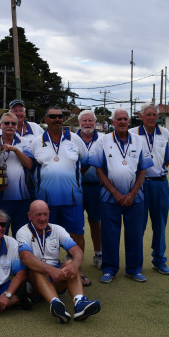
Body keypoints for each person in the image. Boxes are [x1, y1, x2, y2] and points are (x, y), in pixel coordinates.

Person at [30, 106, 91, 287]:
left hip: (72, 199)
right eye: (53, 116)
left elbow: (85, 163)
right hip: (45, 202)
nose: (57, 119)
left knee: (76, 235)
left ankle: (77, 270)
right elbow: (30, 166)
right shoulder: (36, 142)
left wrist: (69, 178)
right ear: (45, 119)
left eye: (60, 116)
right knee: (46, 235)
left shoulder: (76, 139)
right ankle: (48, 270)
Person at [90, 108, 153, 283]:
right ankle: (109, 269)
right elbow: (99, 170)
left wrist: (132, 194)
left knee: (135, 234)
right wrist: (116, 193)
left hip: (135, 197)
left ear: (129, 121)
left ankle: (134, 269)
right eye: (119, 119)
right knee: (110, 235)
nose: (123, 122)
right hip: (109, 197)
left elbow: (143, 170)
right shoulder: (102, 141)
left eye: (125, 119)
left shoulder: (139, 141)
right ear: (113, 122)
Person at [16, 200, 101, 324]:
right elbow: (26, 258)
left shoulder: (57, 229)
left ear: (49, 214)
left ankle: (80, 303)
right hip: (35, 284)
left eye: (45, 214)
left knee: (70, 262)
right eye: (38, 214)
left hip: (56, 279)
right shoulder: (23, 232)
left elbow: (77, 251)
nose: (42, 218)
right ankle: (55, 303)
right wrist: (51, 270)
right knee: (37, 268)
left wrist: (75, 265)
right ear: (29, 215)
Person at [129, 102, 169, 275]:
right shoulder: (132, 133)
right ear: (140, 116)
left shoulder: (165, 133)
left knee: (160, 224)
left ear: (158, 116)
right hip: (138, 185)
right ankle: (135, 263)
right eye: (147, 114)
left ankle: (159, 259)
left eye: (154, 115)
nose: (151, 118)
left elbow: (167, 160)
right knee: (137, 225)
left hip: (159, 183)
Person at [0, 112, 33, 236]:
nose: (10, 126)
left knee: (20, 234)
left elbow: (29, 164)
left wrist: (15, 149)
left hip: (21, 197)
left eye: (13, 123)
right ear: (0, 125)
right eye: (6, 123)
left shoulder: (25, 142)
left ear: (17, 125)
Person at [76, 110, 103, 269]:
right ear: (79, 123)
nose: (87, 124)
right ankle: (73, 255)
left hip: (95, 187)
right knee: (75, 223)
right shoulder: (71, 138)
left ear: (95, 122)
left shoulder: (103, 139)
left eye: (90, 121)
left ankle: (98, 254)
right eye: (84, 121)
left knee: (95, 222)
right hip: (75, 187)